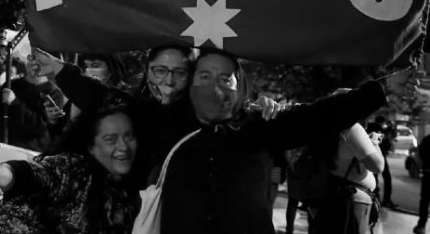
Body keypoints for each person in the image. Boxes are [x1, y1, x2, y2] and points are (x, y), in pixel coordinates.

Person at [41, 47, 418, 234]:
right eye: (204, 75)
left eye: (226, 77)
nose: (215, 84)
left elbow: (321, 115)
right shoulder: (163, 119)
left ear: (239, 84)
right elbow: (108, 101)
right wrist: (61, 72)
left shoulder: (262, 123)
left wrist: (382, 89)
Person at [0, 94, 143, 234]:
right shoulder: (72, 168)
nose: (123, 146)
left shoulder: (134, 188)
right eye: (111, 139)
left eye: (129, 136)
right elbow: (33, 174)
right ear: (91, 147)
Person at [312, 114, 385, 234]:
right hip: (348, 202)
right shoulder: (352, 128)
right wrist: (374, 143)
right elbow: (377, 165)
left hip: (331, 194)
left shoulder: (330, 126)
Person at [366, 115, 396, 207]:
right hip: (379, 154)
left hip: (370, 154)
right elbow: (383, 138)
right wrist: (391, 128)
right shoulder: (378, 128)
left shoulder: (369, 126)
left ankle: (375, 197)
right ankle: (386, 199)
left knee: (374, 176)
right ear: (382, 122)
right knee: (386, 177)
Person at [414, 134, 430, 233]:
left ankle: (421, 226)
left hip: (428, 174)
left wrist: (422, 168)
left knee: (425, 200)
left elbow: (418, 155)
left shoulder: (427, 139)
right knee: (424, 201)